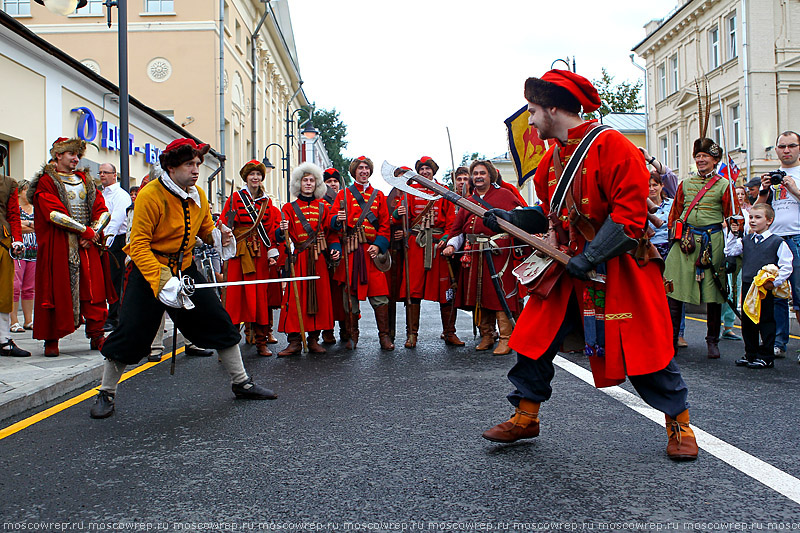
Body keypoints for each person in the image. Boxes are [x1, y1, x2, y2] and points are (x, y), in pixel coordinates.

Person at [480, 69, 697, 460]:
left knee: (642, 352)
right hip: (569, 266)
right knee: (532, 340)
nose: (529, 120)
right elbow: (549, 214)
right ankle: (526, 416)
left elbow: (629, 218)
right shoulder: (554, 158)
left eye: (532, 110)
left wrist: (592, 256)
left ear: (552, 108)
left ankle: (679, 423)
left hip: (618, 267)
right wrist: (506, 217)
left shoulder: (613, 145)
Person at [89, 138, 277, 419]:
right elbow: (138, 246)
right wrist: (162, 280)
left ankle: (241, 382)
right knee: (129, 334)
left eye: (198, 164)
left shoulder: (198, 194)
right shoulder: (150, 196)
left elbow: (203, 230)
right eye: (190, 164)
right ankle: (107, 392)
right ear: (172, 166)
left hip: (185, 270)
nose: (196, 169)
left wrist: (219, 235)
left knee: (220, 321)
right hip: (149, 271)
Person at [29, 138, 115, 357]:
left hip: (88, 245)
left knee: (94, 290)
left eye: (78, 155)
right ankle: (51, 338)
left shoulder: (86, 180)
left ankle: (97, 334)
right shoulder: (47, 182)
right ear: (58, 155)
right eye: (71, 154)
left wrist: (93, 232)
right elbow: (52, 213)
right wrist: (84, 232)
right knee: (56, 289)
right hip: (60, 245)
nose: (76, 159)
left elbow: (101, 209)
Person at [663, 128, 737, 359]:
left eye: (706, 156)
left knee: (714, 293)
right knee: (673, 291)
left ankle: (712, 341)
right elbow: (674, 214)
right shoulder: (685, 184)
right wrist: (675, 235)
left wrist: (736, 230)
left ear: (715, 160)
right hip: (685, 243)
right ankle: (672, 339)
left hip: (712, 241)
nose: (701, 160)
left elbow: (732, 217)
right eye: (698, 156)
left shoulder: (725, 185)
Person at [442, 160, 523, 355]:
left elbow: (520, 220)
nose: (478, 176)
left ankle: (506, 338)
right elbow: (458, 230)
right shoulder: (468, 201)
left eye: (482, 173)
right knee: (481, 295)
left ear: (490, 176)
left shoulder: (505, 195)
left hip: (499, 253)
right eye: (475, 173)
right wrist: (452, 246)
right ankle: (487, 334)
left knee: (499, 294)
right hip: (475, 253)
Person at [394, 157, 462, 348]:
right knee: (412, 291)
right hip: (416, 245)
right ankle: (412, 335)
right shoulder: (409, 192)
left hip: (437, 247)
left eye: (428, 169)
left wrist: (445, 238)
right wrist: (397, 215)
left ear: (433, 171)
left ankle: (449, 333)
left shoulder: (444, 192)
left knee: (446, 291)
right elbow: (399, 220)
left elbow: (452, 222)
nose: (425, 172)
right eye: (421, 169)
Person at [220, 160, 282, 357]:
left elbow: (271, 229)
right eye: (251, 174)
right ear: (245, 177)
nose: (255, 178)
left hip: (260, 254)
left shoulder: (267, 202)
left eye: (258, 174)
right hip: (239, 253)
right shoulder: (235, 198)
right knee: (235, 298)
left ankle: (261, 342)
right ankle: (229, 347)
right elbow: (223, 222)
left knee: (259, 297)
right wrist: (225, 232)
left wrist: (273, 252)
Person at [276, 162, 339, 356]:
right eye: (305, 180)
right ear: (299, 183)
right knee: (296, 301)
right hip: (299, 260)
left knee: (319, 300)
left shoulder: (324, 206)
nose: (309, 183)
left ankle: (313, 339)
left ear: (317, 184)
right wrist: (282, 230)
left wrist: (336, 240)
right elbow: (279, 236)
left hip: (319, 259)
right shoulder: (288, 207)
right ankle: (294, 341)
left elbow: (332, 233)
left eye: (312, 180)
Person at [331, 156, 392, 350]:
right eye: (360, 168)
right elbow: (332, 226)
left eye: (366, 168)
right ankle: (352, 336)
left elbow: (385, 224)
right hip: (350, 251)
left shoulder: (379, 195)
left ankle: (384, 336)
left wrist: (379, 245)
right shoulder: (343, 195)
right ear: (354, 171)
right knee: (350, 296)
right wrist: (337, 219)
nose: (363, 171)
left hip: (371, 253)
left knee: (380, 297)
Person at [726, 203, 792, 369]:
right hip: (749, 285)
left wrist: (774, 282)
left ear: (769, 221)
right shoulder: (746, 240)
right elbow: (730, 251)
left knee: (766, 320)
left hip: (764, 288)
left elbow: (787, 265)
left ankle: (766, 355)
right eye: (751, 218)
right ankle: (751, 353)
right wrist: (734, 234)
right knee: (748, 321)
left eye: (758, 217)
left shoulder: (777, 242)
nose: (753, 221)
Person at [753, 131, 800, 359]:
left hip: (798, 236)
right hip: (775, 238)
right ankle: (778, 342)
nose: (786, 150)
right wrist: (763, 191)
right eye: (782, 146)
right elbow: (757, 210)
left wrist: (794, 190)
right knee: (776, 292)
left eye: (791, 145)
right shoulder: (772, 177)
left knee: (799, 293)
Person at [0, 146, 30, 357]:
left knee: (4, 293)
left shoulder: (9, 183)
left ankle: (2, 340)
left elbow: (12, 214)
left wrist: (17, 240)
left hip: (2, 241)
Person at [98, 163, 132, 332]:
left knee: (115, 280)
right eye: (100, 172)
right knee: (105, 280)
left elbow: (115, 220)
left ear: (114, 174)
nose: (102, 175)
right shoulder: (101, 194)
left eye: (106, 172)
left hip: (116, 241)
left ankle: (115, 317)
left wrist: (105, 242)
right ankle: (105, 315)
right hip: (102, 240)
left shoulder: (121, 195)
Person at [321, 168, 346, 345]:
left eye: (334, 182)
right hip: (325, 251)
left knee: (344, 293)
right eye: (328, 182)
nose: (332, 184)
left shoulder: (347, 199)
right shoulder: (319, 202)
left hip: (347, 248)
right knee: (327, 294)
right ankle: (327, 330)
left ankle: (347, 329)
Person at [11, 180, 36, 334]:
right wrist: (30, 224)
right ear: (19, 192)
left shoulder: (35, 208)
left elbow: (40, 225)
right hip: (18, 251)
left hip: (34, 252)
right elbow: (14, 224)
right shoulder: (14, 207)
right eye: (27, 190)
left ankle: (28, 320)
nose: (29, 193)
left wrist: (26, 225)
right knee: (15, 286)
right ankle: (13, 321)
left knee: (29, 288)